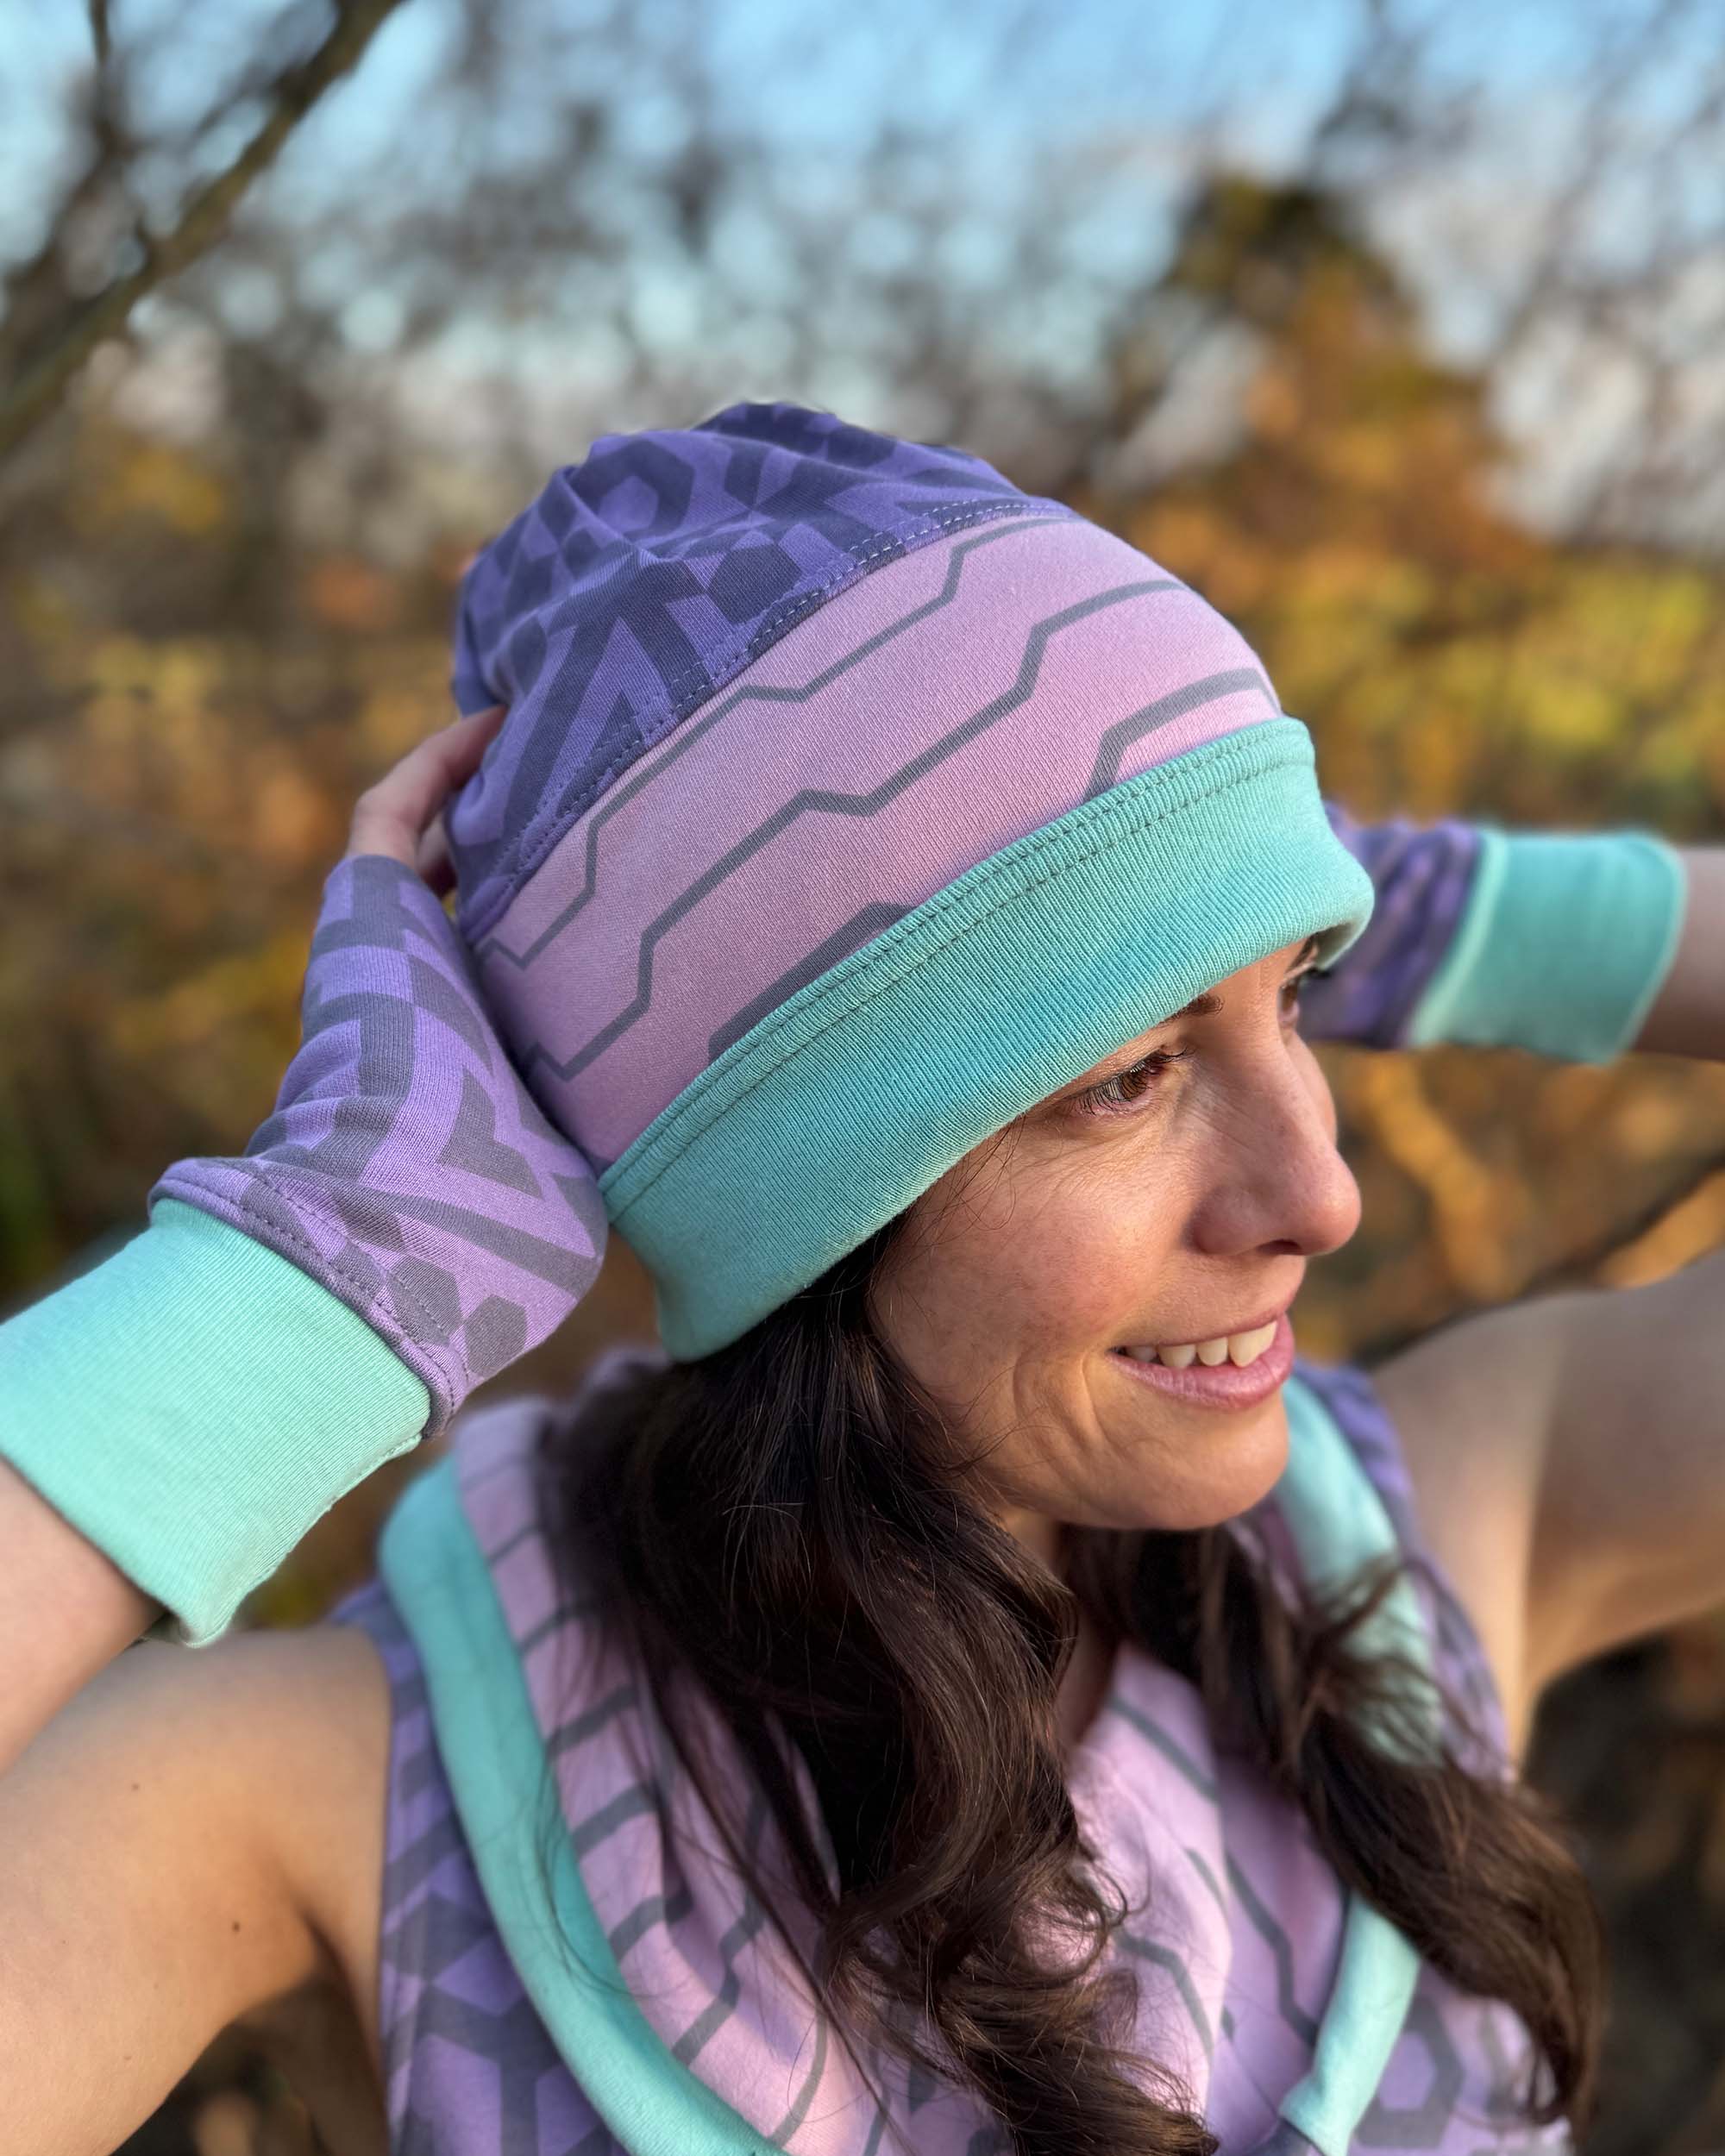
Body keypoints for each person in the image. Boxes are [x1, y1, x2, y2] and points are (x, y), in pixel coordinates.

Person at [0, 402, 1717, 2156]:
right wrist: (336, 1259)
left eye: (1298, 994)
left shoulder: (1423, 1544)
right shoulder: (345, 1782)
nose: (1322, 1192)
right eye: (1127, 1071)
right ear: (807, 1203)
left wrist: (1444, 911)